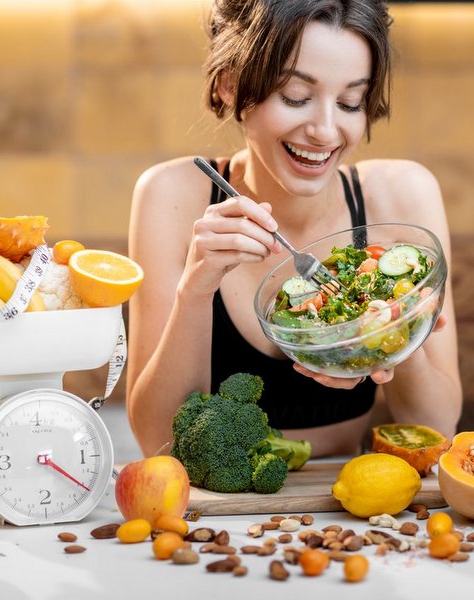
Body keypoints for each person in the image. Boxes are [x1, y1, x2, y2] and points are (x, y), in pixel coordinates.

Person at [126, 0, 462, 458]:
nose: (325, 131)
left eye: (350, 102)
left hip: (352, 506)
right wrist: (196, 290)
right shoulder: (172, 195)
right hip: (219, 514)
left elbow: (436, 429)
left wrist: (400, 333)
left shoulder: (402, 195)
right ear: (231, 85)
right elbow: (157, 442)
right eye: (295, 97)